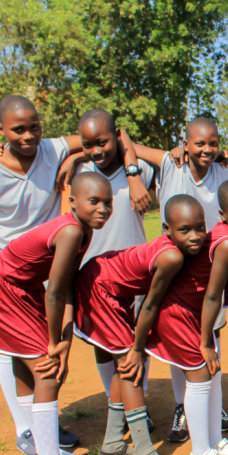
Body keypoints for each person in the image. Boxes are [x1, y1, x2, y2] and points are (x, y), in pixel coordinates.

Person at [0, 96, 138, 455]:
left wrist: (76, 157)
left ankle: (43, 429)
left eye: (35, 127)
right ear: (0, 130)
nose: (28, 135)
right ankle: (30, 433)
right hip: (3, 270)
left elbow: (109, 135)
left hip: (43, 264)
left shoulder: (54, 149)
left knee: (38, 352)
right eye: (17, 129)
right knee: (22, 354)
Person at [0, 171, 113, 455]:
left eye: (108, 203)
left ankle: (44, 451)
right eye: (94, 201)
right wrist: (54, 344)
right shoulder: (69, 231)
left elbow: (66, 285)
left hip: (20, 289)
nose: (103, 209)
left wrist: (64, 339)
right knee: (47, 372)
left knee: (27, 372)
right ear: (73, 201)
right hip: (4, 289)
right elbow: (54, 292)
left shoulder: (83, 229)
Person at [133, 118, 228, 441]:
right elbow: (123, 139)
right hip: (173, 265)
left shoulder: (224, 169)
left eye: (213, 143)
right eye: (198, 143)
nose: (206, 149)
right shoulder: (170, 163)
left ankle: (214, 402)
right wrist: (131, 174)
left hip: (208, 267)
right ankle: (183, 406)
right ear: (185, 144)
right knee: (178, 335)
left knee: (212, 333)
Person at [74, 196, 201, 455]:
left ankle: (114, 445)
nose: (194, 236)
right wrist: (138, 347)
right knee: (132, 366)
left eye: (200, 228)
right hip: (100, 288)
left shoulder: (177, 250)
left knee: (126, 363)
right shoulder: (172, 256)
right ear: (167, 228)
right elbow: (151, 304)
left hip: (112, 287)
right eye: (185, 230)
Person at [56, 109, 157, 429]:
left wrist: (133, 174)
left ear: (117, 136)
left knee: (139, 338)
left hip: (135, 270)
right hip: (92, 276)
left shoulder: (140, 171)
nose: (96, 150)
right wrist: (73, 158)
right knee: (103, 345)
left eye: (102, 141)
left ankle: (137, 403)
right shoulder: (79, 171)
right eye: (87, 144)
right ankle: (122, 408)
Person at [144, 195, 228, 455]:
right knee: (201, 375)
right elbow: (212, 296)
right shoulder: (227, 242)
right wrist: (206, 342)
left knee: (213, 373)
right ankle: (200, 454)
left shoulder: (220, 236)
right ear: (224, 215)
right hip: (178, 314)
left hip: (193, 313)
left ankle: (215, 441)